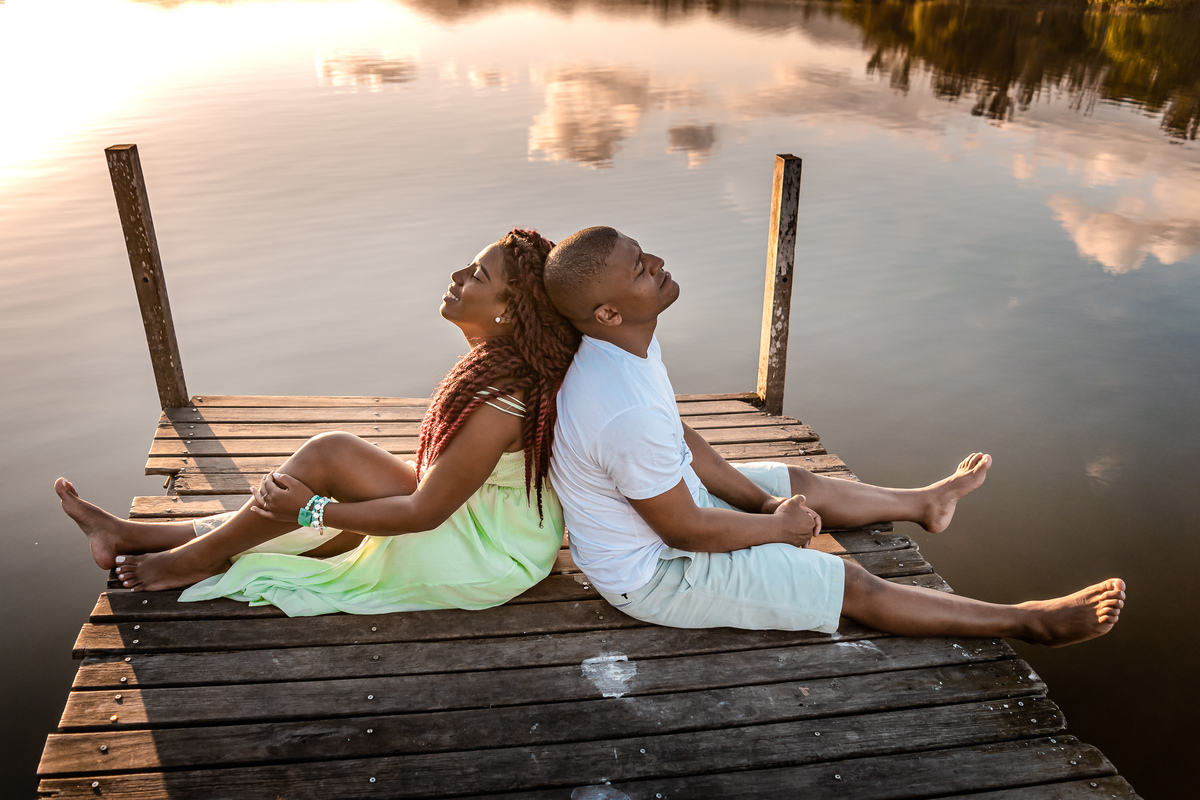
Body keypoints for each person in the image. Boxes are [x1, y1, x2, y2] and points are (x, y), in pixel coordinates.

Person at [542, 225, 1125, 646]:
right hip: (656, 573)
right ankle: (1029, 621)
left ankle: (924, 502)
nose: (658, 261)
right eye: (640, 267)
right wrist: (776, 529)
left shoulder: (623, 349)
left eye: (645, 252)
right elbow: (685, 531)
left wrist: (768, 501)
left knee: (796, 479)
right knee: (847, 582)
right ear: (608, 313)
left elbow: (684, 442)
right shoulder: (621, 411)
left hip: (675, 511)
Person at [55, 229, 580, 616]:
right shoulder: (500, 362)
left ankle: (188, 559)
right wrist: (316, 510)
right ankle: (137, 535)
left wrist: (312, 510)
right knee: (332, 460)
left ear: (509, 312)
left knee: (323, 498)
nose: (458, 276)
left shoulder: (502, 399)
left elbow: (424, 514)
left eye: (477, 276)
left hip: (491, 548)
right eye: (469, 265)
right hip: (474, 512)